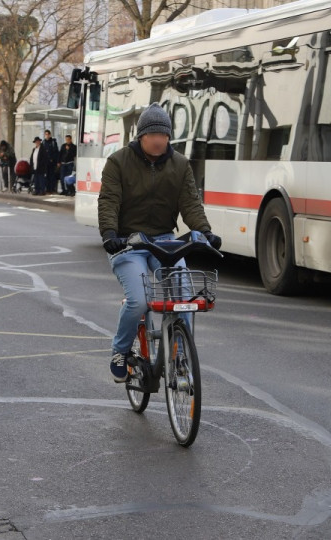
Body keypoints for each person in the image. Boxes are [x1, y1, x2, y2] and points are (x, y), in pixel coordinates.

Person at [97, 103, 221, 383]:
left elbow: (190, 203)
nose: (158, 140)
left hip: (165, 240)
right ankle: (120, 351)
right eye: (152, 134)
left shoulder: (180, 164)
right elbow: (109, 202)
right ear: (141, 136)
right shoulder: (118, 162)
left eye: (163, 135)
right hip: (129, 241)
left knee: (185, 298)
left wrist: (205, 232)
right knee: (139, 300)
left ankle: (179, 356)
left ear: (169, 137)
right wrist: (109, 235)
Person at [42, 129, 61, 194]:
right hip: (46, 163)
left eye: (48, 134)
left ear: (50, 135)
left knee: (52, 176)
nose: (47, 136)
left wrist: (57, 161)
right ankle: (47, 189)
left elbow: (56, 152)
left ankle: (52, 189)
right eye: (45, 134)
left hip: (52, 163)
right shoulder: (43, 143)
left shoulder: (53, 142)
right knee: (46, 176)